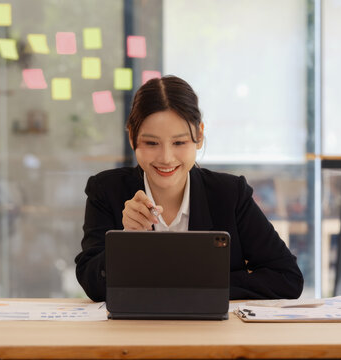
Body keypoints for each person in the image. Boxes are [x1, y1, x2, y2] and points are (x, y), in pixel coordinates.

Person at [75, 75, 304, 301]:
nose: (166, 158)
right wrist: (126, 240)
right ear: (132, 138)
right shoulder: (106, 190)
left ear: (199, 135)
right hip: (134, 334)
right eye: (151, 143)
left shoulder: (230, 194)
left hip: (213, 334)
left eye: (179, 143)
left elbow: (287, 278)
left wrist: (201, 287)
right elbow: (91, 282)